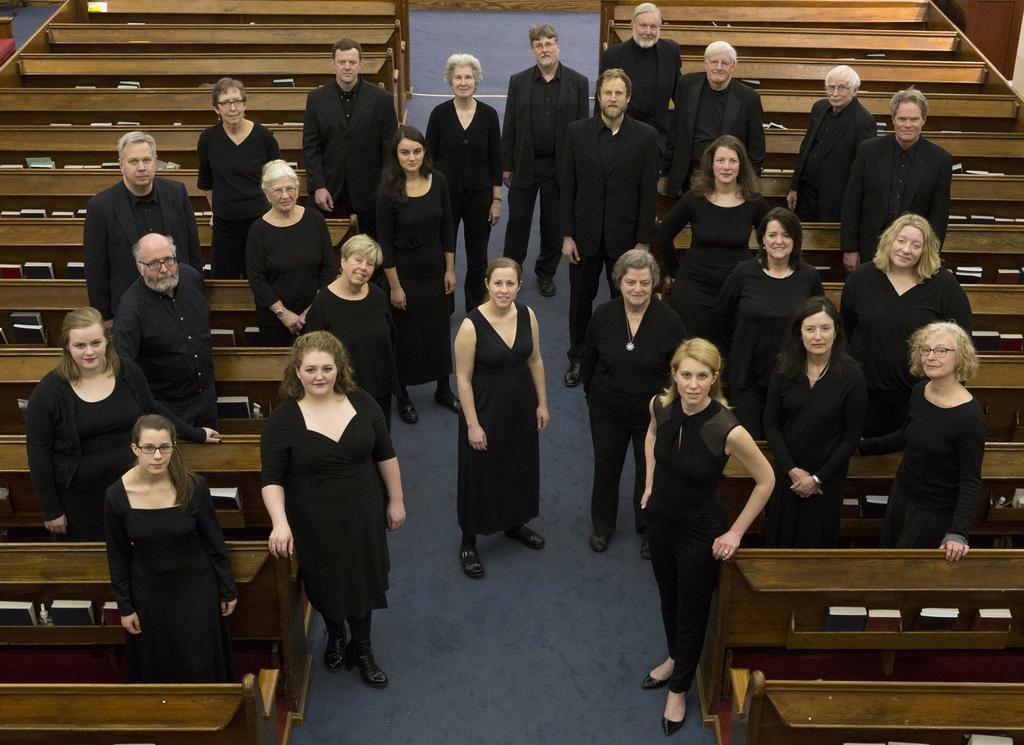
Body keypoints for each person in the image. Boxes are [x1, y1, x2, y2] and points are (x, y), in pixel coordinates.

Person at [639, 339, 773, 734]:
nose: (693, 384)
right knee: (667, 597)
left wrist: (736, 531)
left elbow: (766, 480)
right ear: (674, 375)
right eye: (686, 375)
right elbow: (650, 437)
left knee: (692, 609)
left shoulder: (726, 428)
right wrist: (650, 483)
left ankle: (679, 688)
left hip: (700, 532)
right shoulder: (659, 406)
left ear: (714, 378)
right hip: (661, 521)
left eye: (702, 376)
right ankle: (675, 657)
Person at [261, 331, 406, 685]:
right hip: (313, 516)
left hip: (362, 509)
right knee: (325, 579)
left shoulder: (362, 401)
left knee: (362, 576)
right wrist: (280, 523)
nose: (319, 376)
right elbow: (272, 478)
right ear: (297, 372)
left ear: (339, 368)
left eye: (327, 368)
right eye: (311, 369)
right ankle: (336, 633)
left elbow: (385, 454)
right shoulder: (282, 419)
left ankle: (363, 647)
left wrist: (396, 500)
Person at [26, 308, 217, 542]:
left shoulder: (127, 372)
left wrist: (196, 434)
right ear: (67, 346)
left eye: (95, 343)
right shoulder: (49, 391)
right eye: (80, 345)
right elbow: (38, 454)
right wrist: (51, 509)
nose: (89, 352)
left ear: (107, 340)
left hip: (136, 489)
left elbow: (153, 409)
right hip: (82, 502)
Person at [104, 414, 237, 682]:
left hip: (196, 589)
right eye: (149, 448)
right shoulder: (116, 495)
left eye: (165, 447)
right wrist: (125, 606)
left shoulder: (193, 486)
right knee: (160, 667)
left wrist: (227, 589)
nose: (157, 456)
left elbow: (214, 542)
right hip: (149, 594)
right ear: (135, 449)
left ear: (174, 447)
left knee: (202, 664)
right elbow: (117, 556)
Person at [581, 249, 686, 558]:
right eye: (630, 282)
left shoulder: (670, 321)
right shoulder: (603, 315)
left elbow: (679, 370)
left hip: (652, 415)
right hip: (607, 409)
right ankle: (602, 526)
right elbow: (588, 362)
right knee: (606, 468)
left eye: (644, 282)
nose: (637, 289)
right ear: (619, 282)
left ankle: (649, 528)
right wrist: (593, 398)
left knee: (649, 472)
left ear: (654, 283)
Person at [560, 68, 659, 388]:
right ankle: (578, 357)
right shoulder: (576, 133)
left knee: (627, 302)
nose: (612, 98)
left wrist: (643, 242)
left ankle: (622, 356)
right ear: (599, 97)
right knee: (580, 302)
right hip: (584, 238)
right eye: (607, 93)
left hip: (626, 241)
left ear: (628, 99)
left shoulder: (646, 137)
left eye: (618, 93)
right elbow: (567, 187)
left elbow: (648, 192)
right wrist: (567, 235)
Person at [454, 258, 549, 578]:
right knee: (479, 472)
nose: (504, 290)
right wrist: (472, 424)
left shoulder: (527, 315)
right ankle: (468, 540)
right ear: (487, 284)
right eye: (498, 283)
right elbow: (463, 379)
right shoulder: (471, 325)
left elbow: (535, 360)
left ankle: (514, 523)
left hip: (521, 406)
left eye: (510, 284)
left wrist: (542, 403)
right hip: (484, 409)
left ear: (519, 286)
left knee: (518, 465)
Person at [860, 322, 985, 561]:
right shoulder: (920, 391)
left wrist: (958, 533)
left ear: (960, 357)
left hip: (933, 510)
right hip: (903, 494)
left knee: (905, 571)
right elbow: (906, 436)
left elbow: (970, 480)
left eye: (941, 350)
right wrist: (860, 446)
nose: (930, 357)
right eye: (925, 350)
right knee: (886, 561)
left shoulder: (969, 417)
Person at [840, 213, 971, 437]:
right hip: (867, 394)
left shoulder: (944, 285)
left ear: (925, 250)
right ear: (889, 240)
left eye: (916, 245)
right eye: (901, 240)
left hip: (922, 396)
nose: (906, 249)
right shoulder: (861, 278)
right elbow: (846, 331)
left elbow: (961, 341)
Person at [763, 297, 866, 548]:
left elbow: (851, 438)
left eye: (825, 328)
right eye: (810, 329)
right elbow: (771, 425)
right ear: (799, 333)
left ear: (836, 332)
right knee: (780, 544)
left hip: (826, 481)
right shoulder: (783, 368)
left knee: (817, 547)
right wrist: (792, 470)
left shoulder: (852, 375)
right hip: (787, 476)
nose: (818, 336)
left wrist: (817, 479)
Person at [713, 207, 823, 438]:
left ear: (796, 240)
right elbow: (722, 317)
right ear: (762, 239)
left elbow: (819, 321)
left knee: (787, 442)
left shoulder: (808, 276)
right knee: (748, 443)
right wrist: (738, 348)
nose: (778, 241)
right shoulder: (743, 272)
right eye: (772, 235)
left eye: (786, 235)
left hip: (793, 375)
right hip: (747, 375)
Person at [377, 125, 460, 424]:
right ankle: (403, 395)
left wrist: (450, 269)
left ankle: (443, 388)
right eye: (405, 152)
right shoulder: (387, 192)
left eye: (416, 151)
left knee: (439, 330)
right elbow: (385, 243)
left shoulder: (439, 181)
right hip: (404, 272)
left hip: (435, 268)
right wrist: (395, 287)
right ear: (396, 155)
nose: (411, 157)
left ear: (424, 152)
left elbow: (447, 228)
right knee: (406, 336)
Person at [501, 23, 590, 298]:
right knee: (518, 222)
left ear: (557, 46)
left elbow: (583, 130)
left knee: (553, 224)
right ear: (532, 51)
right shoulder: (518, 81)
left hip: (559, 166)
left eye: (549, 43)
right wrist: (506, 165)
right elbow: (510, 124)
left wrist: (579, 169)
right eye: (538, 45)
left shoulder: (578, 82)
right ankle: (511, 273)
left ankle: (545, 272)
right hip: (525, 162)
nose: (544, 49)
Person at [655, 135, 769, 340]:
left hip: (738, 288)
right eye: (720, 160)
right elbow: (664, 234)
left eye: (732, 161)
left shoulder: (754, 202)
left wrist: (760, 269)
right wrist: (674, 272)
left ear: (741, 166)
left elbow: (773, 237)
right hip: (695, 288)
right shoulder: (695, 197)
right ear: (711, 164)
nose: (726, 167)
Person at [84, 131, 202, 321]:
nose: (141, 167)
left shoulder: (177, 193)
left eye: (147, 160)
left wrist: (196, 295)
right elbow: (95, 269)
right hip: (128, 311)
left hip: (178, 302)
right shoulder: (100, 207)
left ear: (155, 161)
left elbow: (193, 249)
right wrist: (104, 317)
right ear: (121, 164)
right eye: (133, 161)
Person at [841, 88, 952, 271]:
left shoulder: (940, 160)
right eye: (902, 119)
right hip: (869, 248)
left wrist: (930, 255)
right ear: (893, 119)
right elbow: (852, 201)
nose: (907, 125)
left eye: (914, 119)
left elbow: (939, 214)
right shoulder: (868, 151)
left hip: (913, 254)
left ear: (923, 120)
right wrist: (850, 248)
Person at [114, 233, 216, 429]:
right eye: (154, 264)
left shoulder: (192, 278)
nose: (164, 269)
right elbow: (126, 369)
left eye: (169, 260)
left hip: (206, 399)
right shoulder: (130, 309)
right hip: (165, 409)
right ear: (140, 268)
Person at [425, 53, 502, 311]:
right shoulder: (439, 114)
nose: (463, 82)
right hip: (444, 197)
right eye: (458, 77)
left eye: (468, 77)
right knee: (444, 253)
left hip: (480, 197)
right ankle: (444, 306)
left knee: (477, 256)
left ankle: (474, 307)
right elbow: (428, 159)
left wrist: (496, 199)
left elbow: (496, 159)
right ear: (450, 81)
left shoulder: (489, 115)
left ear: (476, 81)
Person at [302, 38, 399, 235]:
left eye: (352, 62)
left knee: (374, 248)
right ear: (333, 64)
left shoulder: (382, 100)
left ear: (360, 64)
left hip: (370, 192)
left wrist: (385, 190)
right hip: (330, 190)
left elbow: (389, 148)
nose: (347, 67)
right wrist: (318, 186)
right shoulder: (316, 99)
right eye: (342, 62)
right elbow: (311, 146)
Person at [305, 234, 400, 429]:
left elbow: (389, 341)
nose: (363, 268)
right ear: (343, 261)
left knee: (380, 438)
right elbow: (312, 355)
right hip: (341, 394)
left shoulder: (378, 295)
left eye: (370, 264)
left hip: (379, 388)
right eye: (358, 260)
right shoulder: (323, 303)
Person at [197, 77, 282, 279]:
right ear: (216, 108)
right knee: (225, 282)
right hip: (225, 226)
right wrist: (217, 211)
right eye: (226, 103)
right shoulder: (208, 139)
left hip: (260, 221)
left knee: (263, 278)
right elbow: (207, 182)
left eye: (237, 101)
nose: (232, 108)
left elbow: (278, 177)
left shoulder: (263, 136)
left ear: (245, 104)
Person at [246, 160, 335, 347]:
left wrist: (313, 309)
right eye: (278, 190)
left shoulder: (315, 219)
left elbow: (328, 267)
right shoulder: (258, 230)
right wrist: (283, 313)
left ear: (298, 189)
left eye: (290, 188)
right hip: (275, 321)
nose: (285, 195)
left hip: (316, 315)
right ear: (267, 194)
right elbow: (256, 279)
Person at [661, 41, 765, 198]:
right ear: (705, 63)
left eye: (725, 63)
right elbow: (674, 132)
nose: (719, 67)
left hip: (728, 179)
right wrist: (665, 172)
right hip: (688, 175)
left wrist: (748, 185)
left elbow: (756, 147)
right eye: (714, 62)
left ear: (733, 66)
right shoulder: (686, 86)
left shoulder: (749, 98)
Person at [786, 65, 877, 223]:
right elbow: (806, 148)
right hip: (806, 193)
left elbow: (862, 170)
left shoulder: (864, 121)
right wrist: (794, 186)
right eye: (831, 87)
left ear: (854, 91)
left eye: (842, 88)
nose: (835, 93)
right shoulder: (819, 107)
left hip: (834, 201)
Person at [598, 3, 680, 156]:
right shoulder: (613, 56)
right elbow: (602, 101)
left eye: (653, 27)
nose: (648, 31)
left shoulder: (670, 51)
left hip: (661, 141)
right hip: (624, 141)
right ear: (633, 25)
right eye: (643, 26)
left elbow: (679, 95)